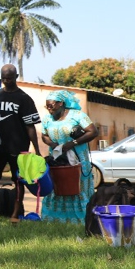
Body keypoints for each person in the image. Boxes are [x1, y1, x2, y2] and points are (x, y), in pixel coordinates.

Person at [0, 65, 43, 219]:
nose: (6, 81)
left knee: (18, 181)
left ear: (16, 77)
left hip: (18, 148)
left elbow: (30, 127)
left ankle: (15, 214)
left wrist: (37, 150)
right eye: (4, 78)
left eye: (10, 78)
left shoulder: (24, 98)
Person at [40, 90, 98, 223]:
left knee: (77, 187)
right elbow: (44, 136)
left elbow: (93, 132)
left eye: (51, 105)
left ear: (60, 103)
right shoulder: (47, 119)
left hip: (78, 158)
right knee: (57, 186)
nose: (49, 109)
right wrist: (53, 144)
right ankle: (54, 219)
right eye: (47, 106)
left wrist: (72, 143)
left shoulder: (77, 115)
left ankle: (81, 219)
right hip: (57, 158)